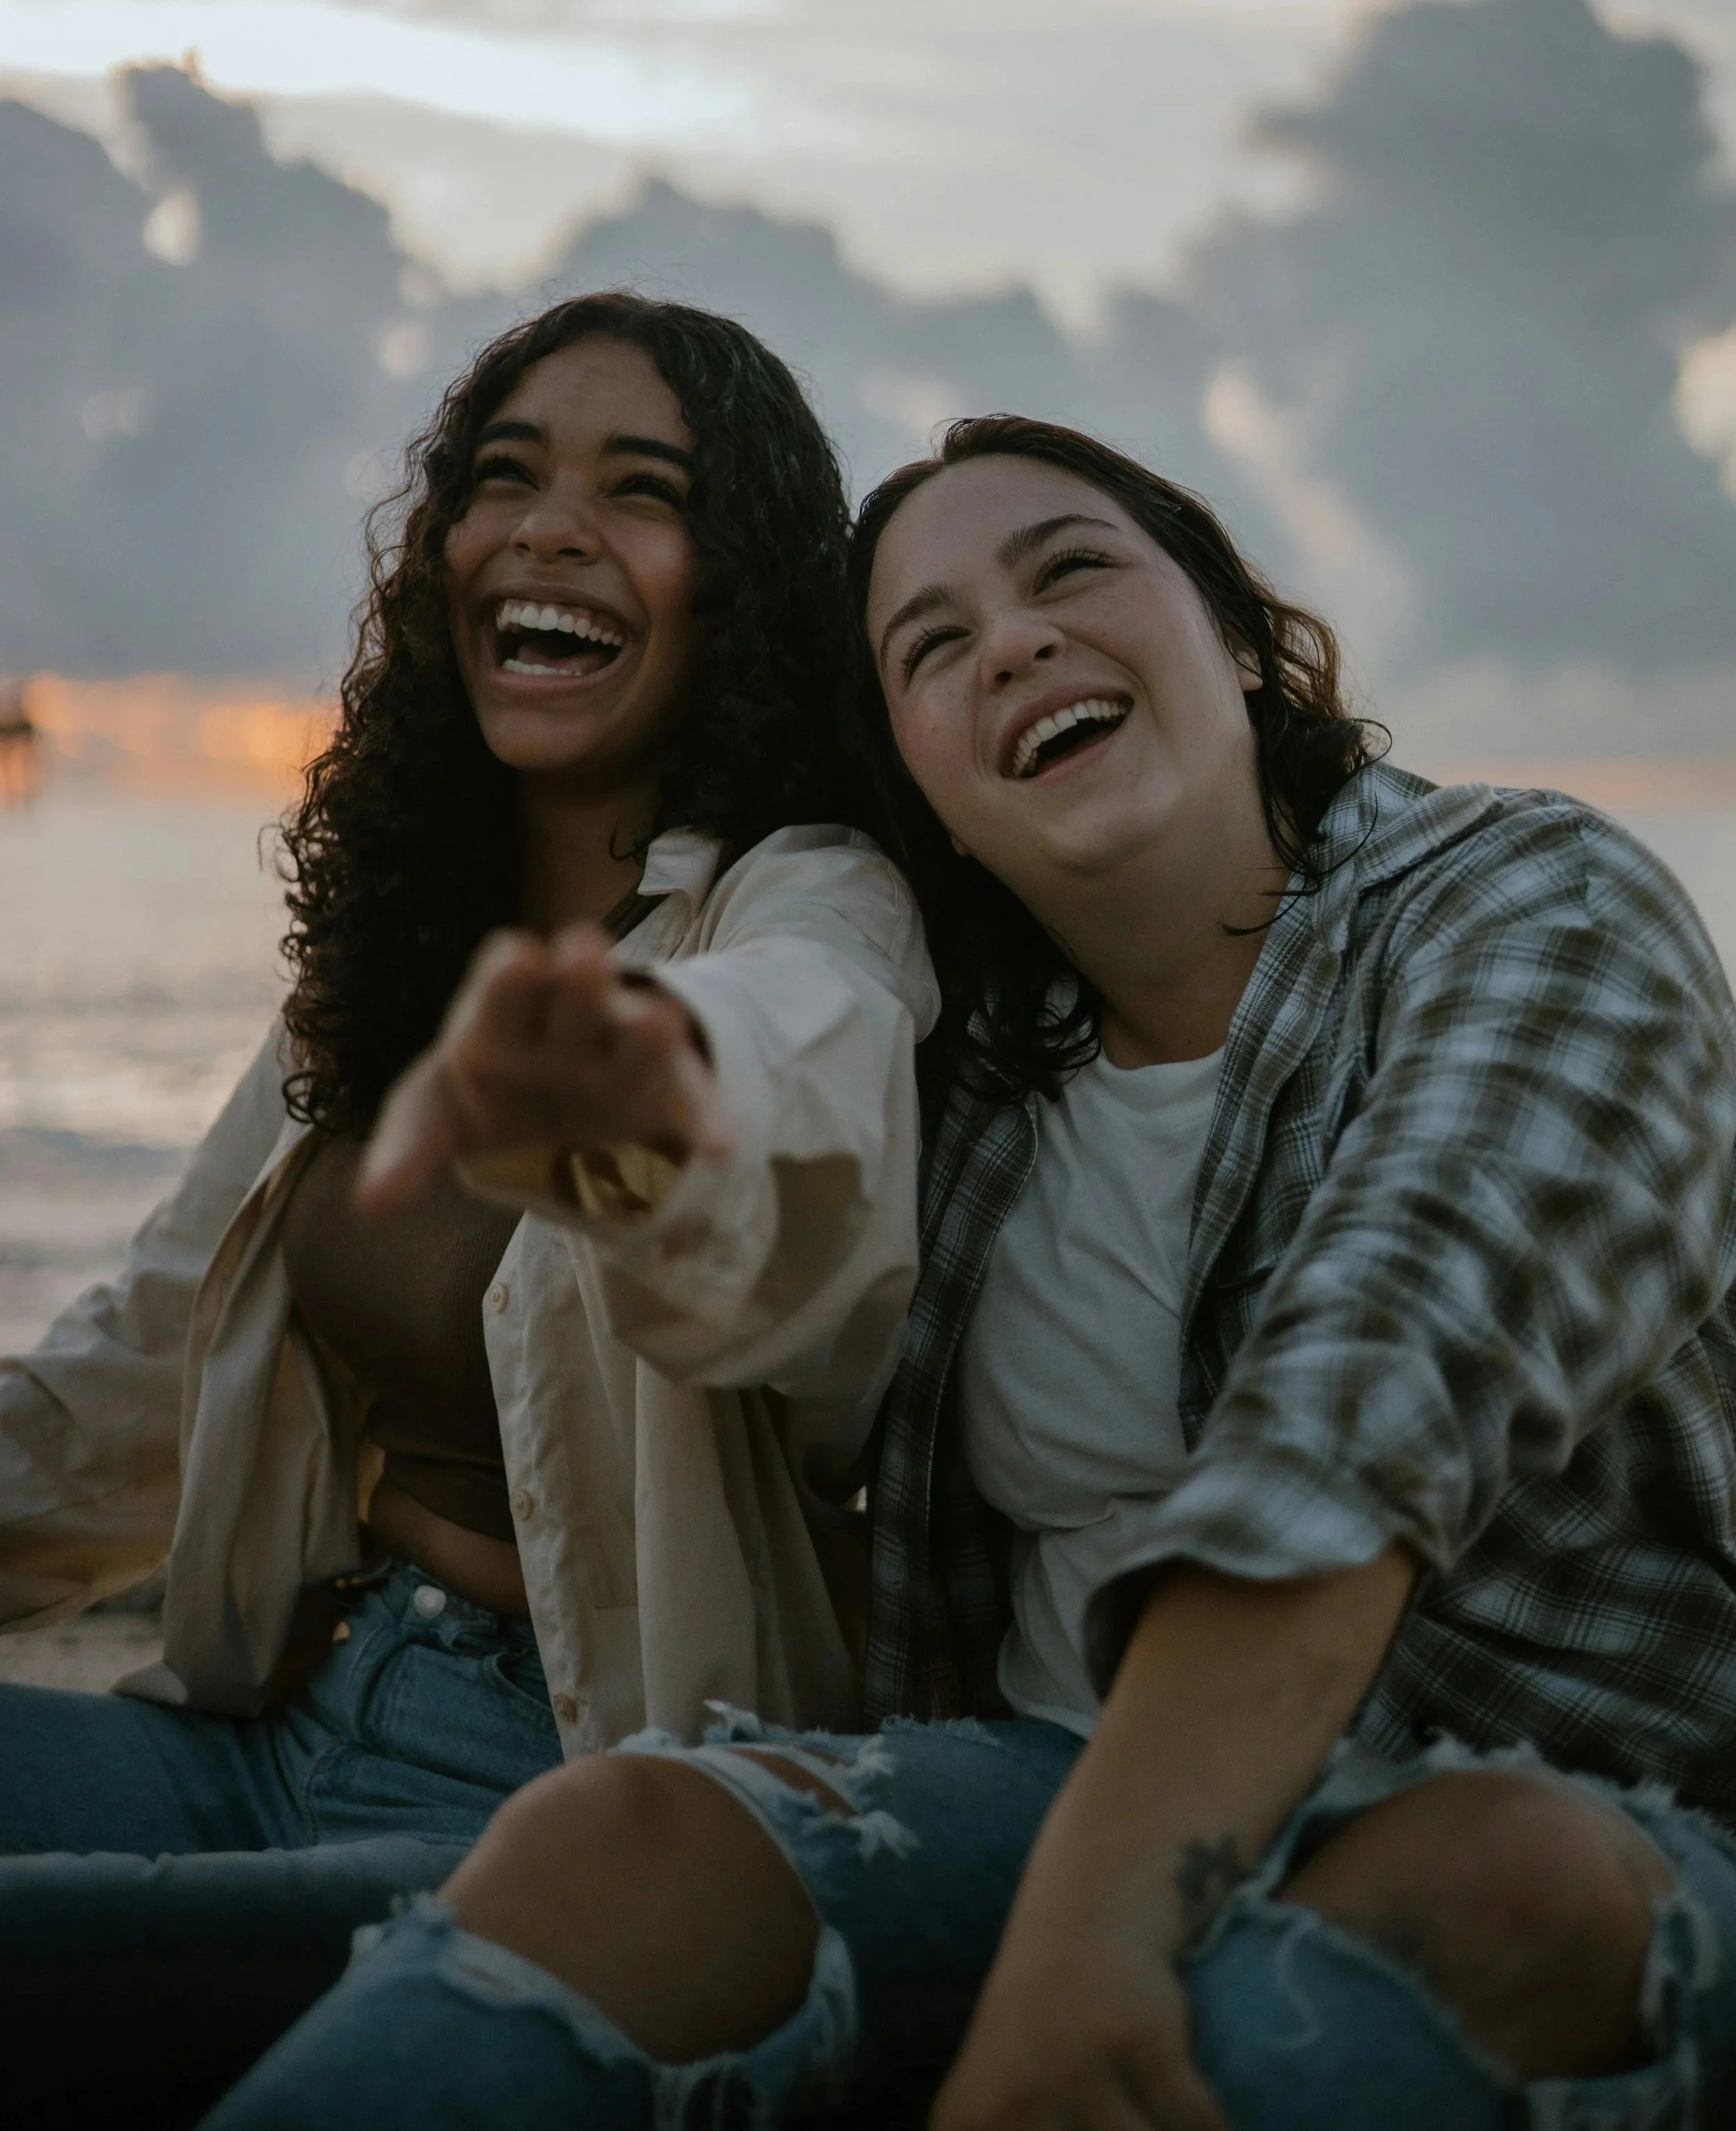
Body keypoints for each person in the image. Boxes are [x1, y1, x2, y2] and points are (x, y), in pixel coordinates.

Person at [199, 415, 1736, 2131]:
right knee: (620, 1837)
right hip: (1040, 1773)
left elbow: (1365, 1406)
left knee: (1491, 1884)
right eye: (931, 646)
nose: (1010, 640)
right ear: (918, 776)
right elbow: (785, 1217)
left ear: (1233, 633)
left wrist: (1080, 1954)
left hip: (1576, 1797)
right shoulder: (976, 1070)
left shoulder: (1531, 904)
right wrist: (640, 1124)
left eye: (1071, 568)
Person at [0, 294, 934, 2121]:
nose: (548, 524)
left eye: (638, 490)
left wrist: (647, 1090)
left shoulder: (807, 908)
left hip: (577, 1802)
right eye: (503, 476)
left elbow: (805, 1139)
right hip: (281, 1715)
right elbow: (140, 1381)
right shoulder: (387, 951)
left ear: (740, 581)